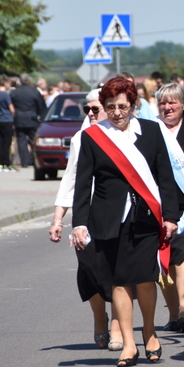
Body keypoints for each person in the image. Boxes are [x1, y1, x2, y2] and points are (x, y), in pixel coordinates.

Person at [71, 77, 180, 367]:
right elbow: (82, 185)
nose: (117, 112)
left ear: (133, 105)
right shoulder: (93, 137)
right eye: (110, 107)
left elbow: (165, 176)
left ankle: (150, 330)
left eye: (122, 106)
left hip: (145, 218)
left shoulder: (152, 132)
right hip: (107, 219)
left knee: (144, 277)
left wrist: (170, 216)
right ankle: (129, 344)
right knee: (118, 281)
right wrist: (78, 223)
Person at [48, 90, 121, 351]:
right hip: (85, 215)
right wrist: (58, 219)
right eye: (87, 109)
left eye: (96, 108)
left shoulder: (125, 136)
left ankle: (116, 323)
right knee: (90, 268)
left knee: (115, 268)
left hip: (116, 213)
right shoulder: (81, 138)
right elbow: (70, 179)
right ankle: (98, 316)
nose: (91, 114)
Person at [155, 83, 184, 334]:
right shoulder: (150, 131)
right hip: (160, 206)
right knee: (165, 259)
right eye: (163, 103)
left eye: (172, 102)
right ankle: (173, 314)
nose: (167, 107)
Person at [11, 74, 47, 168]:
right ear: (29, 80)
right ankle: (34, 160)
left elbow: (11, 105)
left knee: (21, 141)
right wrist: (42, 118)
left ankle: (24, 161)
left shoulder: (15, 92)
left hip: (19, 118)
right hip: (32, 118)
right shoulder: (34, 92)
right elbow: (41, 106)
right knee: (33, 140)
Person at [0, 76, 16, 171]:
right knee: (7, 143)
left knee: (0, 142)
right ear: (5, 84)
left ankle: (0, 163)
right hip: (7, 120)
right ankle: (6, 163)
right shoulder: (5, 95)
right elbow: (12, 109)